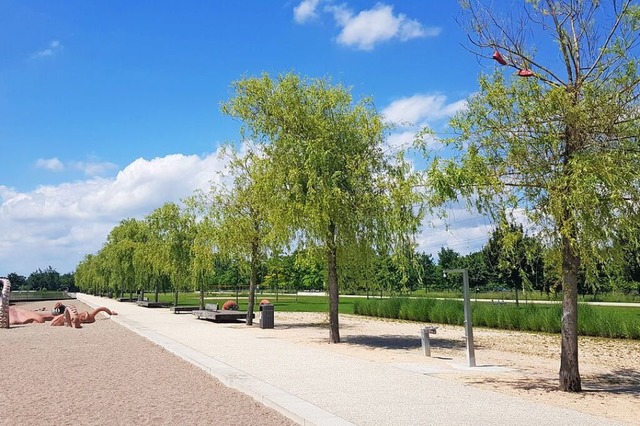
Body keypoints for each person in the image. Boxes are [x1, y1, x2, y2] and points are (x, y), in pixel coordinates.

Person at [50, 305, 117, 328]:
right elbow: (101, 309)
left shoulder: (74, 317)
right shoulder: (74, 317)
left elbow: (101, 309)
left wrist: (110, 313)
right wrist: (110, 313)